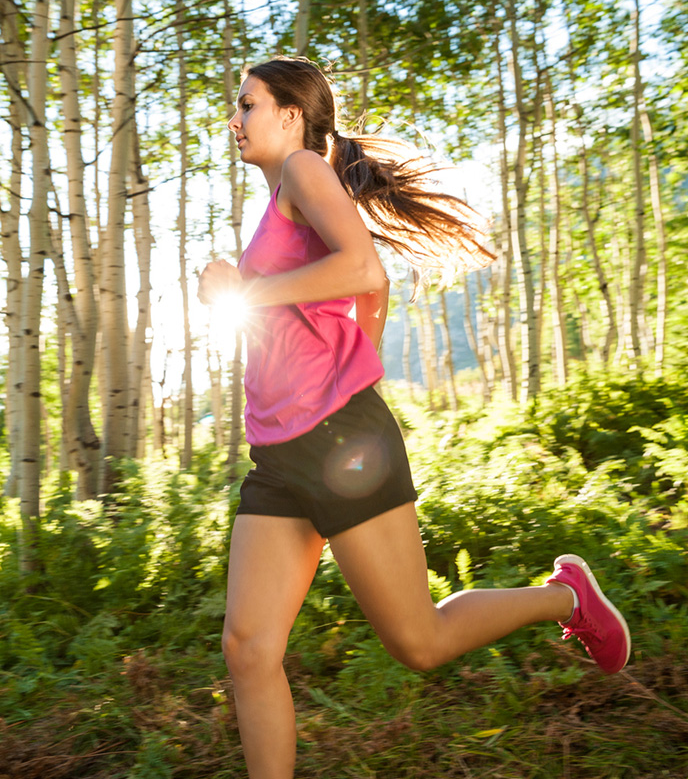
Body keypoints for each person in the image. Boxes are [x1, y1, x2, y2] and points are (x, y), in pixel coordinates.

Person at [197, 56, 630, 779]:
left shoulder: (305, 170)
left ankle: (567, 596)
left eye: (246, 105)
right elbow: (373, 290)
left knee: (419, 642)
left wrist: (250, 291)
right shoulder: (283, 197)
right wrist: (342, 353)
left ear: (290, 116)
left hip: (338, 441)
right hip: (278, 454)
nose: (233, 120)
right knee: (247, 649)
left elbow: (363, 270)